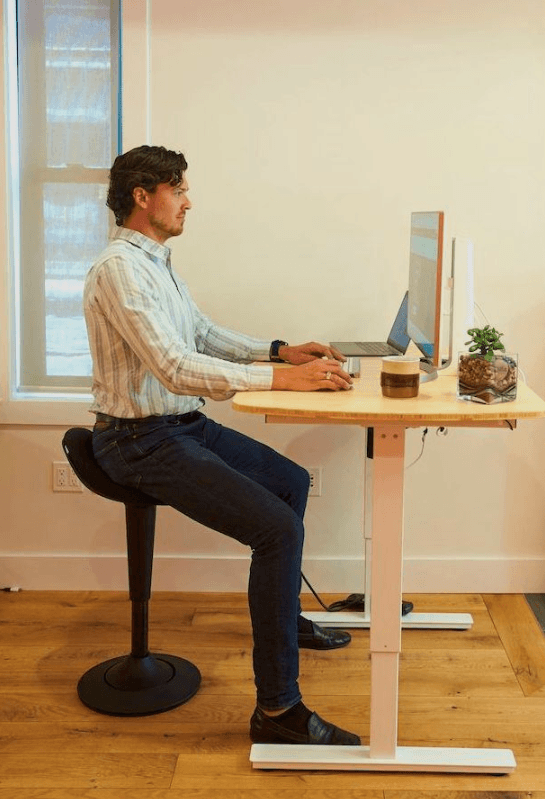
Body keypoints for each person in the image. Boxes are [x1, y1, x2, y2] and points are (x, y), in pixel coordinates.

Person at [83, 144, 361, 747]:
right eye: (179, 188)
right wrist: (283, 379)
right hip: (137, 441)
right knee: (277, 529)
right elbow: (176, 367)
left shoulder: (156, 262)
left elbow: (202, 334)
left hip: (179, 425)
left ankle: (286, 622)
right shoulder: (120, 269)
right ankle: (279, 711)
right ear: (143, 195)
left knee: (289, 483)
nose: (188, 200)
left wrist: (277, 350)